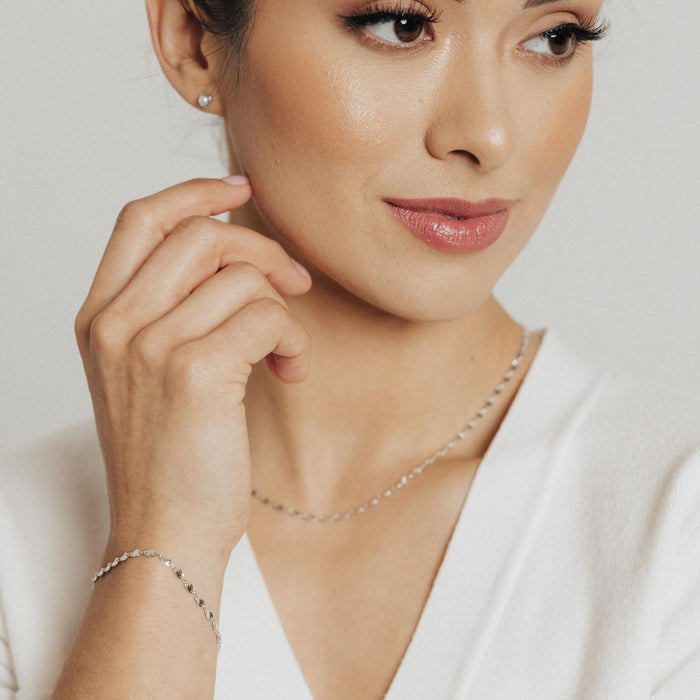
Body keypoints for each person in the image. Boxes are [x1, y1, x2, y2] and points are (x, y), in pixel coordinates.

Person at [0, 0, 698, 698]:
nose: (489, 135)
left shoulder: (673, 515)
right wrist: (163, 538)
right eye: (401, 25)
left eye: (554, 38)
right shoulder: (19, 543)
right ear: (192, 40)